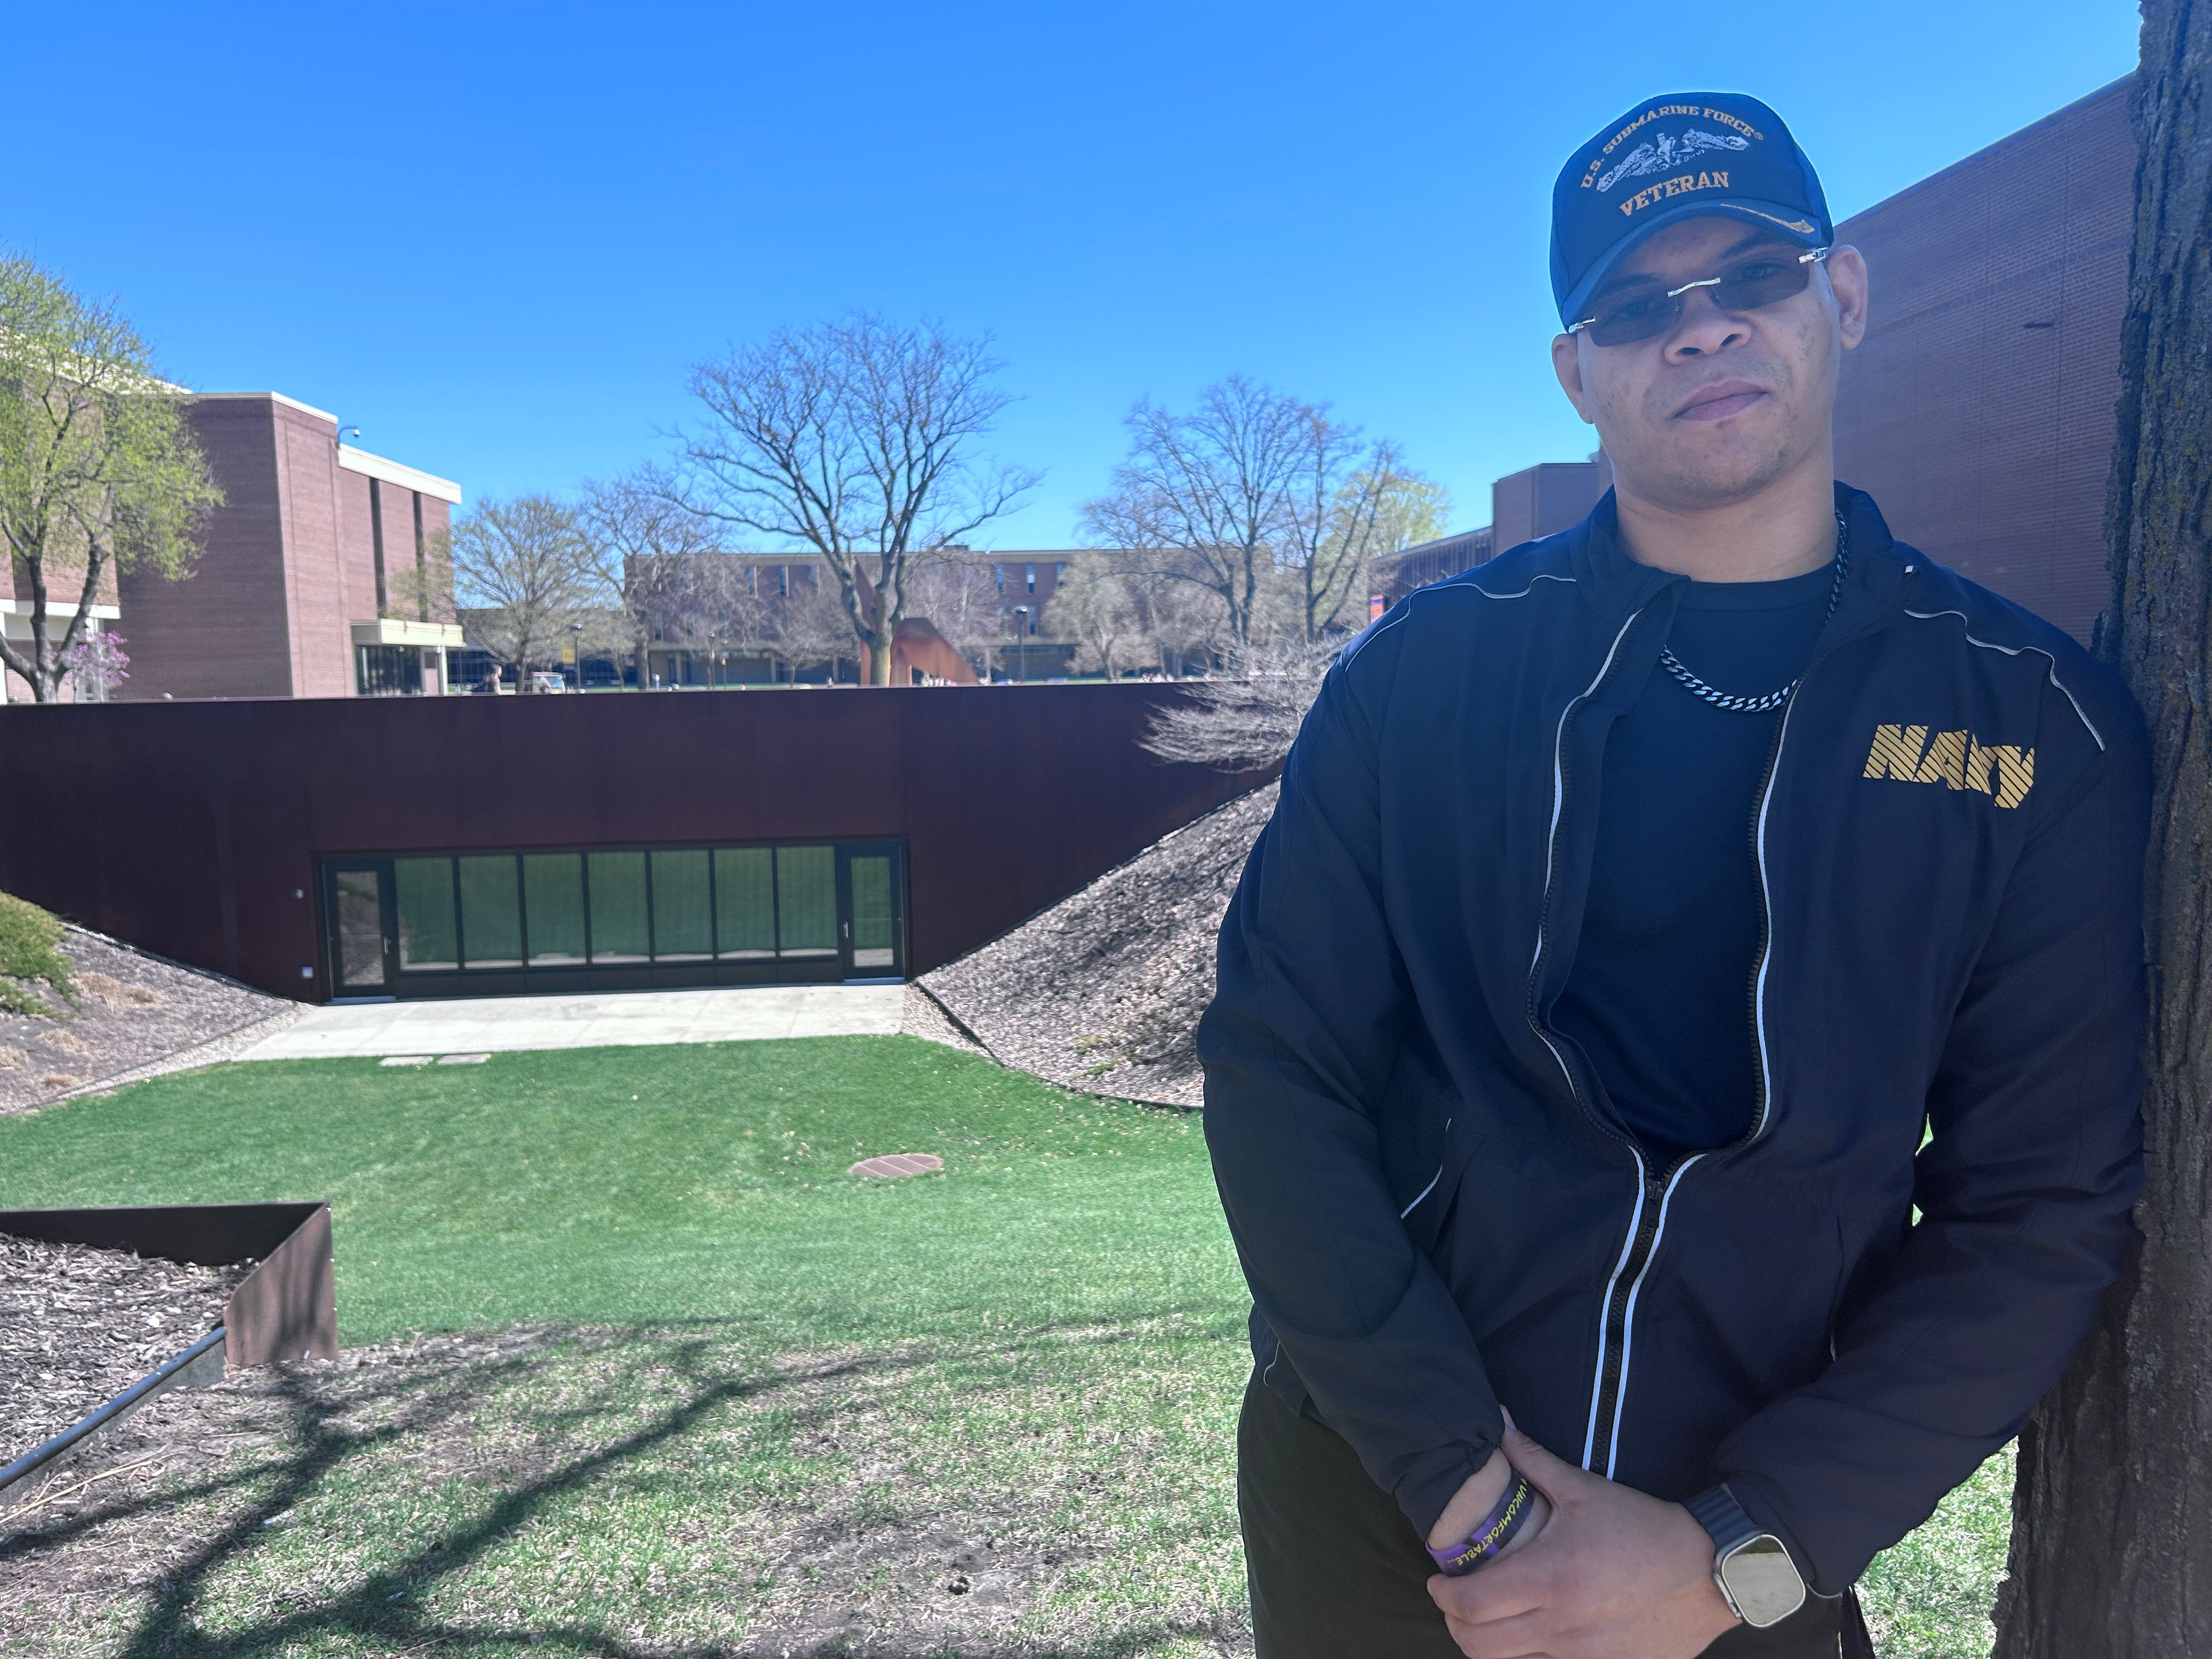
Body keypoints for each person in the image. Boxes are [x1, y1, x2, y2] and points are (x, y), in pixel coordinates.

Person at [1199, 91, 2149, 1659]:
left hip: (1749, 1535)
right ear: (1577, 374)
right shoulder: (1419, 680)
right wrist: (1466, 1493)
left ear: (1844, 294)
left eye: (1754, 276)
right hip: (1382, 1513)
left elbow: (2038, 1209)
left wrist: (1737, 1557)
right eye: (1635, 309)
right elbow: (1277, 1070)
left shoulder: (2033, 726)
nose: (1700, 329)